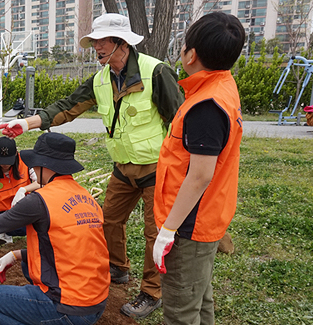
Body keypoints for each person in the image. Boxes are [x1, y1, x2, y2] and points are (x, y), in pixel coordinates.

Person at [0, 13, 183, 318]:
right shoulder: (100, 80)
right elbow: (67, 107)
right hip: (123, 166)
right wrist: (27, 123)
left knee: (153, 233)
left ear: (120, 43)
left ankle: (151, 292)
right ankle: (118, 268)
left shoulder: (155, 72)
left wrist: (181, 169)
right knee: (107, 221)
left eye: (101, 41)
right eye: (94, 41)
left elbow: (180, 120)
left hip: (155, 169)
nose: (95, 47)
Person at [0, 132, 109, 324]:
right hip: (96, 302)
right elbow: (66, 247)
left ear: (44, 166)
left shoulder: (40, 200)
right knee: (27, 263)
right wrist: (16, 255)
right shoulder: (85, 196)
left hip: (68, 307)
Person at [152, 12, 244, 325]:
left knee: (180, 311)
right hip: (204, 219)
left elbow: (201, 174)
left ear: (191, 54)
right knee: (199, 299)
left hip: (190, 227)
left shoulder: (206, 105)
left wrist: (168, 230)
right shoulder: (222, 87)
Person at [0, 136, 39, 246]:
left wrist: (23, 189)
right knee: (11, 228)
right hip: (4, 212)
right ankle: (4, 235)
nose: (5, 165)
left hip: (24, 208)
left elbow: (40, 182)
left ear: (16, 154)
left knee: (30, 227)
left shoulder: (26, 164)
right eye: (1, 161)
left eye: (8, 161)